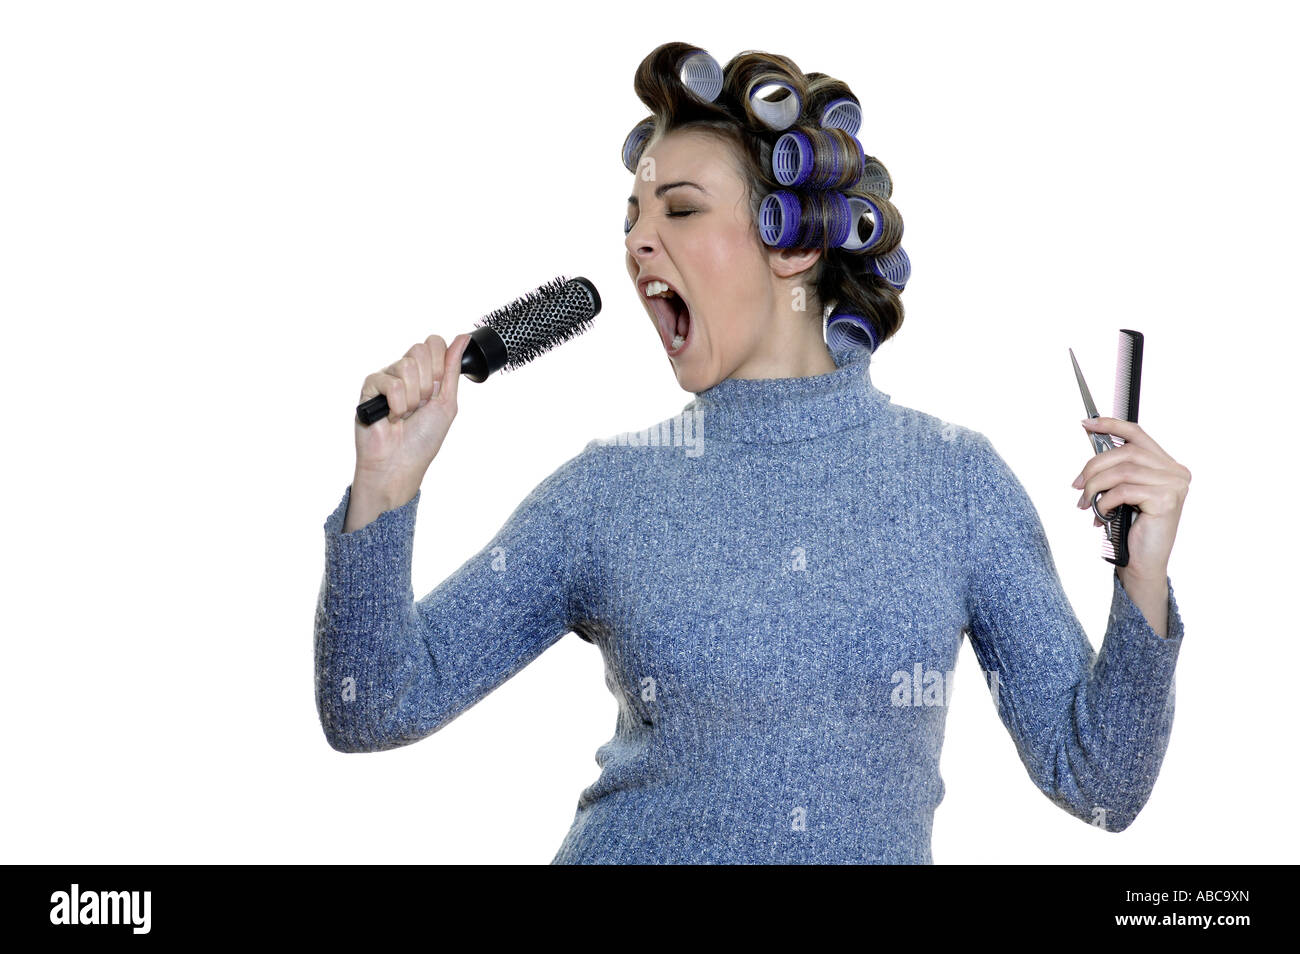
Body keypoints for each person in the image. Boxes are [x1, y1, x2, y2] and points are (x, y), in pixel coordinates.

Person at [314, 42, 1191, 864]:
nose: (635, 244)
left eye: (682, 210)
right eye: (632, 219)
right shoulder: (607, 490)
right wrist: (385, 487)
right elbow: (374, 707)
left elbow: (1101, 784)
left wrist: (1141, 575)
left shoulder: (955, 482)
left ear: (796, 242)